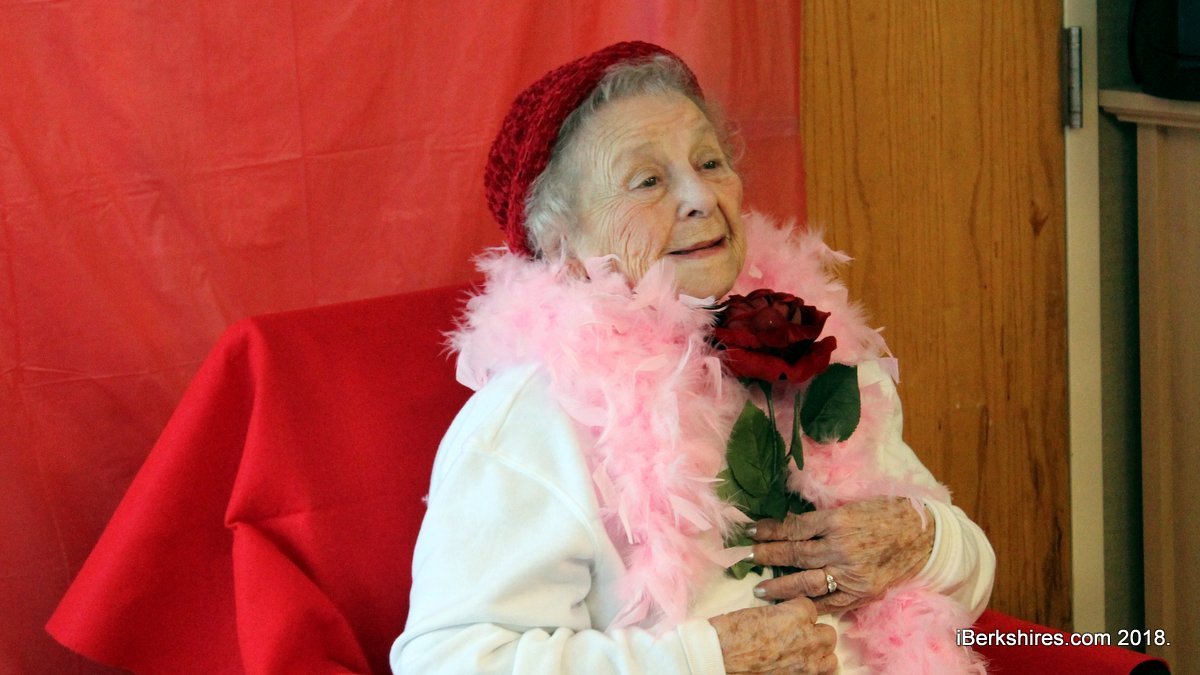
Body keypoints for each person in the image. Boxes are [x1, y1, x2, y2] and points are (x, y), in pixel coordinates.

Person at [391, 41, 994, 675]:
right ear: (561, 244)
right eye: (648, 181)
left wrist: (929, 542)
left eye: (709, 162)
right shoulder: (531, 418)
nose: (701, 197)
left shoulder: (802, 345)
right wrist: (702, 660)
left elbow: (970, 579)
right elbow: (445, 662)